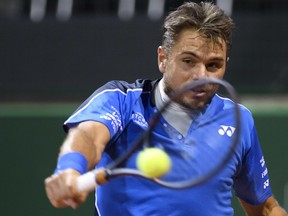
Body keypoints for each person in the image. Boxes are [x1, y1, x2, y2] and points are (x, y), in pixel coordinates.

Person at [44, 2, 287, 215]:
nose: (201, 76)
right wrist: (69, 169)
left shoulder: (239, 120)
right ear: (163, 58)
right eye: (188, 61)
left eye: (213, 65)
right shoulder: (121, 100)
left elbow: (264, 208)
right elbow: (88, 136)